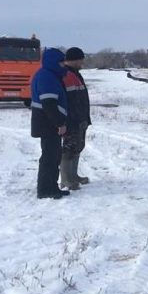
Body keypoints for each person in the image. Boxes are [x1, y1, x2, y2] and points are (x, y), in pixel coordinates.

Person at [30, 47, 70, 199]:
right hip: (47, 123)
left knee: (54, 156)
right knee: (49, 157)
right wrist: (60, 123)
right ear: (53, 62)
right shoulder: (46, 77)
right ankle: (45, 189)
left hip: (48, 123)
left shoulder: (49, 75)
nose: (64, 65)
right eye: (61, 62)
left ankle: (52, 186)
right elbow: (49, 104)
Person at [60, 47, 92, 190]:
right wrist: (71, 118)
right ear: (74, 60)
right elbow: (69, 100)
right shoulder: (67, 75)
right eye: (81, 59)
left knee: (78, 146)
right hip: (72, 119)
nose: (82, 62)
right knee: (69, 148)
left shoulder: (75, 74)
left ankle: (73, 175)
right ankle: (66, 179)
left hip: (80, 118)